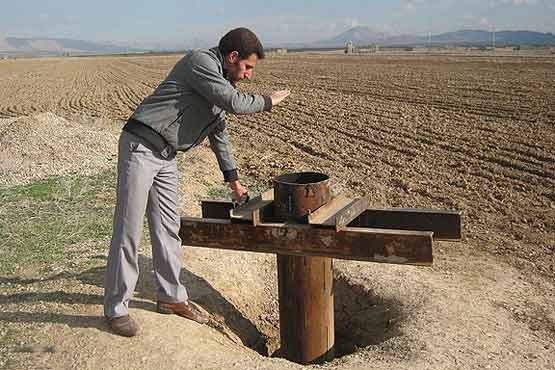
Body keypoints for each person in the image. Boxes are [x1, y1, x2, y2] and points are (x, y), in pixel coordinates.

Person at [103, 27, 290, 337]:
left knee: (168, 229)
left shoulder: (219, 84)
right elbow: (235, 103)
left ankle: (171, 297)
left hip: (166, 157)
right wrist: (267, 101)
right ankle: (116, 308)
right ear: (232, 57)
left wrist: (234, 182)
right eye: (247, 67)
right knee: (128, 229)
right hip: (141, 146)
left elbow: (220, 137)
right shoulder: (200, 63)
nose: (247, 75)